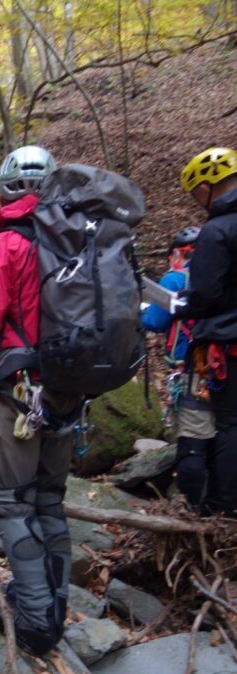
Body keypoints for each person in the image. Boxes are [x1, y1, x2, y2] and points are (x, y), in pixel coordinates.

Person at [0, 145, 84, 656]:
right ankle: (54, 604)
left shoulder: (4, 246)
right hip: (70, 390)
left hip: (20, 392)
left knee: (11, 500)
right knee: (49, 499)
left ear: (4, 189)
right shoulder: (79, 241)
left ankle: (33, 620)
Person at [176, 147, 237, 516]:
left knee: (230, 424)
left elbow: (206, 295)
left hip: (228, 341)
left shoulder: (217, 230)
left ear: (205, 186)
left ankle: (225, 508)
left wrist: (179, 303)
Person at [141, 227, 215, 507]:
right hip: (225, 364)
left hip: (194, 370)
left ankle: (190, 508)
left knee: (193, 440)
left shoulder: (175, 279)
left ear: (181, 253)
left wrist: (142, 311)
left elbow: (155, 322)